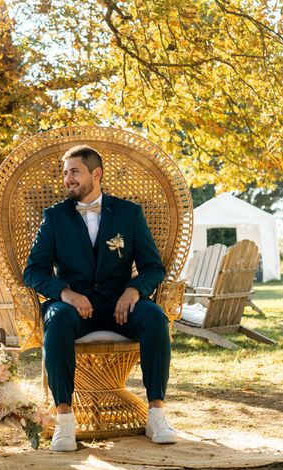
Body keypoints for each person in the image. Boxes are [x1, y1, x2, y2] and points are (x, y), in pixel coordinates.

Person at [23, 145, 178, 452]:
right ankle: (65, 420)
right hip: (73, 307)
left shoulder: (129, 213)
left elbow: (152, 268)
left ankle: (157, 413)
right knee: (55, 321)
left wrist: (134, 290)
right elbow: (34, 272)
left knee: (155, 318)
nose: (67, 179)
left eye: (74, 172)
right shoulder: (54, 217)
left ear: (96, 174)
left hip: (121, 303)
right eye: (65, 173)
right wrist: (64, 293)